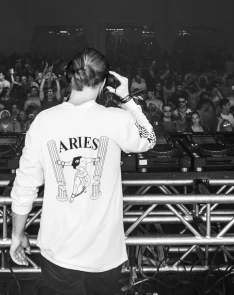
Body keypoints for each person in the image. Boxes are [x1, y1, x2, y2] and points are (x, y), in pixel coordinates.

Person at [9, 48, 155, 295]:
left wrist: (17, 234)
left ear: (69, 78)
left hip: (59, 253)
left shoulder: (44, 120)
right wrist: (126, 99)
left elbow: (25, 185)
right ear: (103, 83)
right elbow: (149, 138)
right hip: (105, 255)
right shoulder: (115, 119)